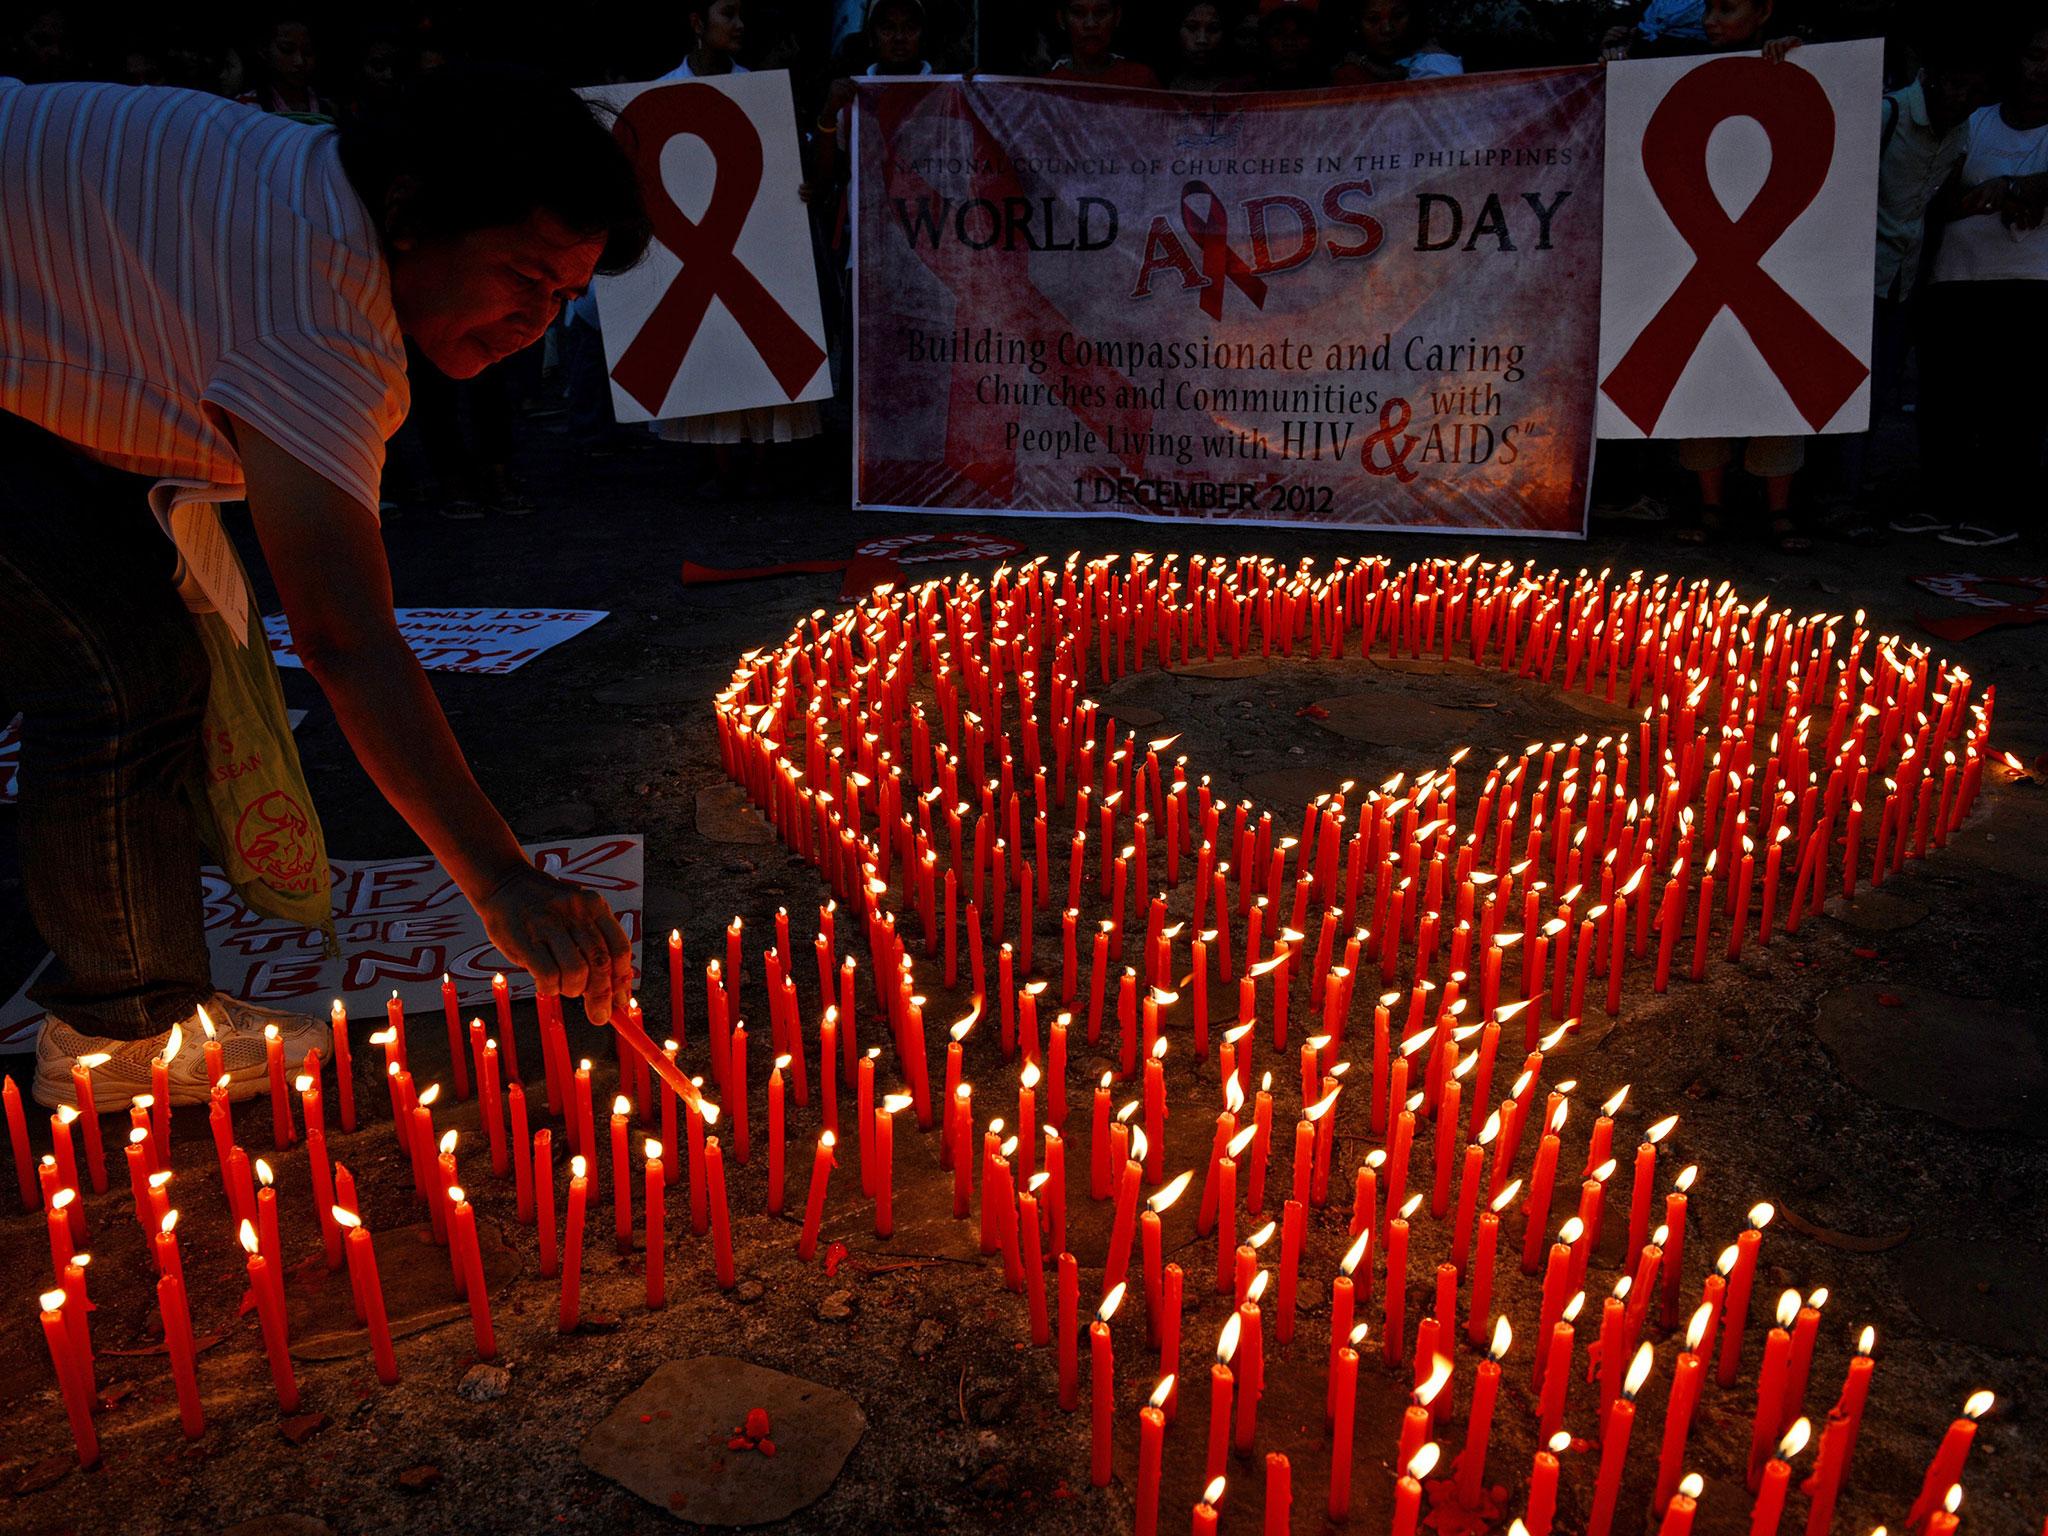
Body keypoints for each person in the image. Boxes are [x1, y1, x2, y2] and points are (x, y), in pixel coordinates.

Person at [0, 66, 652, 1111]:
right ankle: (124, 1032)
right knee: (115, 676)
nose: (535, 319)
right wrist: (501, 879)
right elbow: (344, 634)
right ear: (410, 218)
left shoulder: (309, 182)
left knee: (135, 658)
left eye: (563, 298)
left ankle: (133, 1004)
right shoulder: (320, 314)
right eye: (521, 275)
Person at [655, 0, 822, 495]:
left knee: (756, 345)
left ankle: (761, 461)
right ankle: (721, 462)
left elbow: (781, 166)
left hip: (755, 241)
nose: (740, 25)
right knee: (709, 348)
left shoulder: (760, 92)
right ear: (696, 22)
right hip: (696, 245)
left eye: (743, 14)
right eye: (727, 14)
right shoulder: (662, 94)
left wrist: (802, 186)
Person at [1666, 0, 1810, 549]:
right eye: (1707, 8)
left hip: (1774, 251)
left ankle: (1780, 511)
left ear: (1766, 11)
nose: (1710, 21)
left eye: (1728, 8)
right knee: (1703, 377)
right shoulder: (1674, 70)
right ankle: (1709, 504)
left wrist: (1800, 61)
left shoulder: (1795, 62)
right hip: (1697, 249)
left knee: (1777, 379)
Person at [1914, 18, 2048, 546]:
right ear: (2017, 59)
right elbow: (1933, 191)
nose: (2043, 69)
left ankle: (2002, 512)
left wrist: (2015, 186)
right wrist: (1988, 197)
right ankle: (1940, 502)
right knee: (1945, 397)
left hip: (2033, 283)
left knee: (2014, 403)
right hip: (1955, 277)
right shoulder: (1976, 122)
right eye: (2037, 54)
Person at [1853, 34, 1992, 526]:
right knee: (1852, 392)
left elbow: (1935, 204)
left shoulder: (1958, 133)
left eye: (1974, 92)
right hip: (1857, 278)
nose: (1964, 99)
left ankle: (1849, 492)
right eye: (1956, 86)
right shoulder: (1890, 114)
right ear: (1931, 79)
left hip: (1902, 281)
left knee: (1879, 392)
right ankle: (1835, 496)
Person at [1332, 0, 1463, 84]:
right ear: (1357, 24)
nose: (1387, 29)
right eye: (1373, 19)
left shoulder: (1435, 63)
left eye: (1398, 16)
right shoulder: (1351, 65)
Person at [1047, 0, 1162, 88]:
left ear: (1117, 17)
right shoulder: (1048, 88)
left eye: (1101, 12)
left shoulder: (1140, 79)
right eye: (1078, 12)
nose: (1091, 24)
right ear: (1061, 19)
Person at [238, 17, 335, 120]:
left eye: (308, 52)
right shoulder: (246, 108)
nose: (300, 62)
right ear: (264, 50)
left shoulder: (332, 109)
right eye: (287, 50)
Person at [1164, 1, 1242, 91]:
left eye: (1213, 29)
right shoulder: (1157, 85)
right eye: (1192, 27)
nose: (1202, 40)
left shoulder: (1241, 88)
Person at [1253, 0, 1327, 90]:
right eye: (1278, 33)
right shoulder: (1240, 93)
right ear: (1263, 39)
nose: (1289, 42)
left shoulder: (1340, 91)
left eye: (1300, 32)